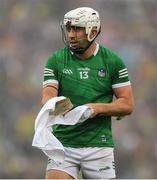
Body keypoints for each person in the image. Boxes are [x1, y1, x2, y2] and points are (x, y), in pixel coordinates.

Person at [42, 7, 134, 179]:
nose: (70, 35)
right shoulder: (56, 60)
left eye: (76, 29)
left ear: (92, 31)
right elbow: (47, 98)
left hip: (99, 145)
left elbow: (127, 104)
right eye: (68, 29)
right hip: (63, 143)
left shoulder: (113, 61)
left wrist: (96, 108)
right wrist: (61, 107)